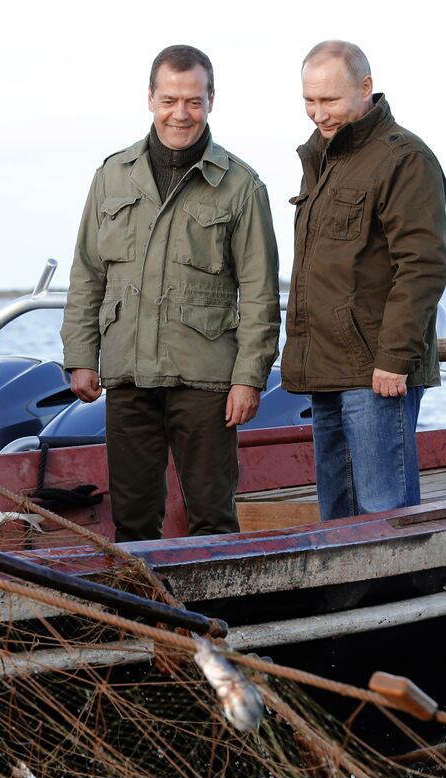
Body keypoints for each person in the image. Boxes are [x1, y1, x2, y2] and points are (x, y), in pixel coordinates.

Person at [60, 44, 280, 542]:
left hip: (205, 378)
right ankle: (141, 616)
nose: (181, 113)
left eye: (193, 101)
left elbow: (260, 292)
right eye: (169, 100)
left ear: (211, 100)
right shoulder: (111, 176)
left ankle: (220, 617)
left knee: (213, 517)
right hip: (128, 372)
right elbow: (87, 274)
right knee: (133, 521)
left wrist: (249, 379)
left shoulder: (241, 185)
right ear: (151, 99)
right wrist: (80, 356)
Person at [282, 40, 446, 519]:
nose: (318, 113)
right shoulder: (323, 159)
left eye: (329, 100)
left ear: (366, 87)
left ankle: (404, 595)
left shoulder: (405, 159)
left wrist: (395, 358)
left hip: (378, 373)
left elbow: (422, 265)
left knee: (385, 516)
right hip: (326, 368)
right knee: (337, 516)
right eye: (309, 101)